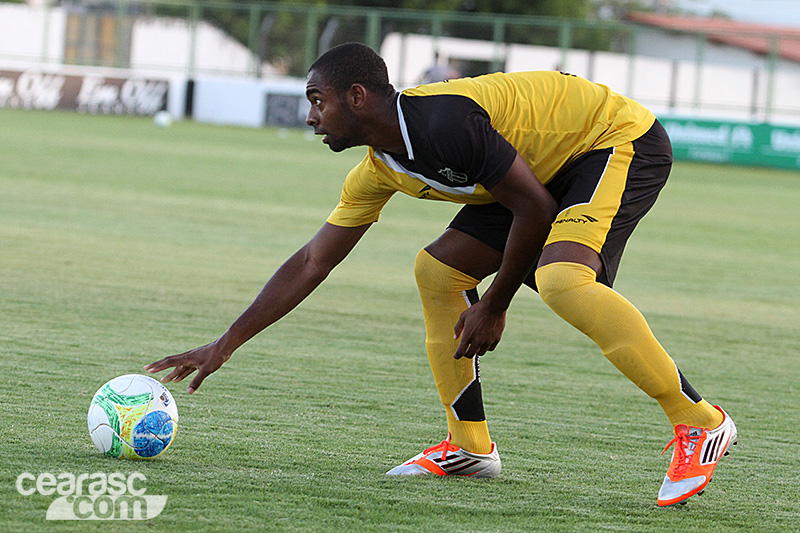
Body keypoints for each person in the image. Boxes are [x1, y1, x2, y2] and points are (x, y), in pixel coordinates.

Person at [145, 43, 737, 506]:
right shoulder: (380, 167)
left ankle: (700, 422)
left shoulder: (443, 123)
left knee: (562, 281)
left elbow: (533, 207)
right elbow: (312, 260)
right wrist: (227, 343)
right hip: (538, 172)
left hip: (611, 138)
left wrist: (495, 303)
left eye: (316, 101)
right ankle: (469, 446)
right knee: (437, 271)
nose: (310, 117)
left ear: (357, 97)